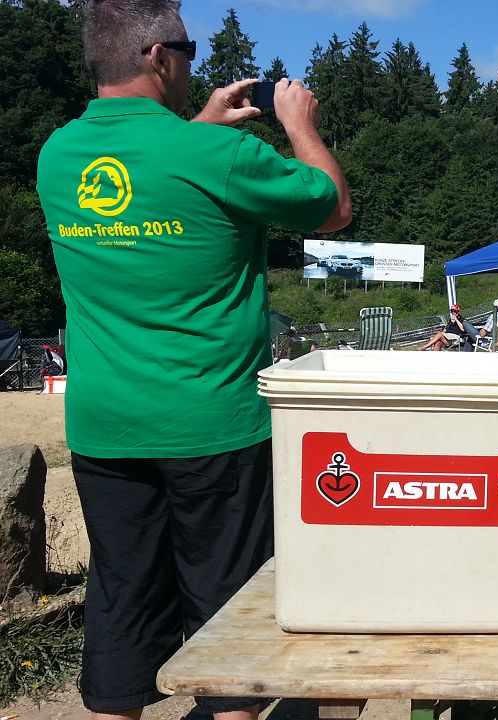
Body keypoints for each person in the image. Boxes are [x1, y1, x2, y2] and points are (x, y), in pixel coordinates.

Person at [35, 2, 351, 717]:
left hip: (105, 425)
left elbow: (153, 176)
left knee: (122, 597)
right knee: (226, 611)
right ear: (158, 55)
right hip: (211, 424)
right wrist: (300, 123)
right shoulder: (222, 157)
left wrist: (198, 126)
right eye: (188, 48)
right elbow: (332, 206)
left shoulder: (58, 155)